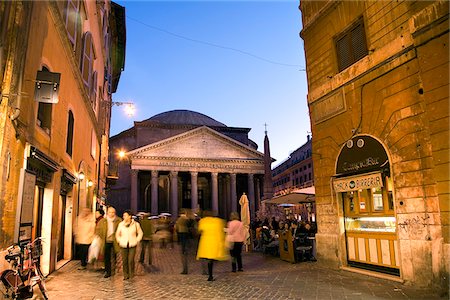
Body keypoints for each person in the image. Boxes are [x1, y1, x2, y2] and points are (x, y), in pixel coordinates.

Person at [196, 211, 228, 281]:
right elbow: (221, 231)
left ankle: (210, 275)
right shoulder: (218, 221)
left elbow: (199, 230)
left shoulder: (203, 221)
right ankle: (210, 274)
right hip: (215, 242)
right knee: (212, 258)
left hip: (206, 242)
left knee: (209, 260)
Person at [116, 210, 143, 280]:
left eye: (125, 215)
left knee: (131, 260)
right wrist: (119, 240)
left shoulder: (136, 224)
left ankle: (131, 273)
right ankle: (125, 274)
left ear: (130, 216)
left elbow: (140, 233)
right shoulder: (121, 224)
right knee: (124, 260)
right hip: (123, 244)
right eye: (123, 215)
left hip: (132, 244)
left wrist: (137, 240)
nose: (124, 217)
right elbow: (117, 234)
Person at [97, 206, 122, 278]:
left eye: (113, 212)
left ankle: (113, 269)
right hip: (106, 241)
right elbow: (98, 230)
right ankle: (108, 271)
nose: (112, 214)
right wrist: (102, 236)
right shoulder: (103, 221)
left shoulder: (119, 220)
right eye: (110, 212)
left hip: (115, 241)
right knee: (106, 257)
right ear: (107, 212)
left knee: (115, 256)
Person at [175, 209, 195, 274]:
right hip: (187, 233)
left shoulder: (180, 219)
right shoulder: (187, 219)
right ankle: (187, 249)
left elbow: (177, 227)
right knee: (186, 244)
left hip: (181, 233)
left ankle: (184, 250)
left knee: (183, 251)